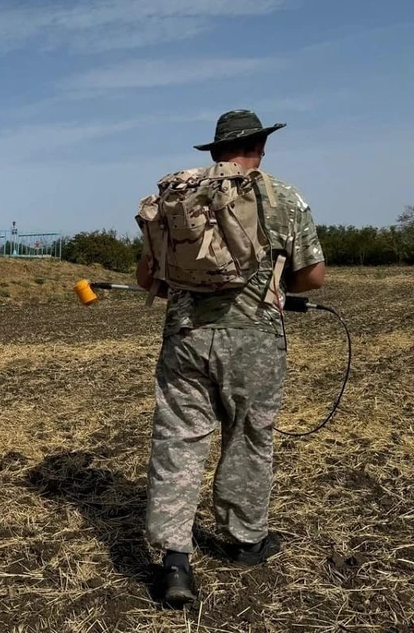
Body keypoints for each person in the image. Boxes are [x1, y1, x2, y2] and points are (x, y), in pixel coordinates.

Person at [134, 110, 326, 607]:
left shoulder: (174, 197)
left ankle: (175, 563)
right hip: (253, 339)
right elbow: (313, 277)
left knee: (178, 440)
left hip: (185, 336)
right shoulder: (284, 197)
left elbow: (146, 277)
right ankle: (244, 540)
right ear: (260, 147)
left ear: (216, 151)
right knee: (247, 437)